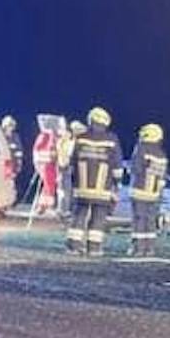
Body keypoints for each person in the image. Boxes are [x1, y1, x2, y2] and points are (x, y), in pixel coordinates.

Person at [66, 107, 122, 256]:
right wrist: (117, 183)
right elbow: (117, 166)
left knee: (78, 216)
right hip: (102, 189)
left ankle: (73, 246)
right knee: (98, 218)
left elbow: (71, 162)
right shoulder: (111, 140)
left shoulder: (80, 138)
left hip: (82, 188)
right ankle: (94, 248)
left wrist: (73, 183)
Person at [127, 123, 169, 256]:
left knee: (139, 219)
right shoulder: (162, 154)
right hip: (154, 193)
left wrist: (129, 168)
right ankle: (149, 248)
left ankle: (138, 248)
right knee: (150, 220)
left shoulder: (141, 148)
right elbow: (163, 176)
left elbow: (135, 168)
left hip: (139, 191)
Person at [31, 116, 60, 214]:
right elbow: (45, 150)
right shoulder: (47, 136)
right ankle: (46, 206)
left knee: (48, 186)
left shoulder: (45, 135)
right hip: (47, 165)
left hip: (48, 165)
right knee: (49, 185)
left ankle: (43, 205)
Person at [56, 120, 83, 218]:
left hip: (68, 168)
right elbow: (66, 155)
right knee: (64, 190)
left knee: (67, 190)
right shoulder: (65, 143)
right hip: (64, 168)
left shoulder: (71, 142)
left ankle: (66, 209)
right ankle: (64, 209)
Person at [1, 115, 24, 190]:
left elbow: (19, 150)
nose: (10, 128)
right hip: (3, 163)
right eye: (9, 125)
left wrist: (18, 164)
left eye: (12, 126)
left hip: (13, 163)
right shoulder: (1, 136)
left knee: (11, 182)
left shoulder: (15, 136)